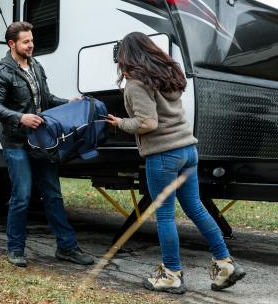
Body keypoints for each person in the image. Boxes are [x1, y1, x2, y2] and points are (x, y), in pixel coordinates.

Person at [105, 32, 245, 294]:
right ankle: (224, 263)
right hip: (187, 150)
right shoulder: (167, 74)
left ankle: (171, 274)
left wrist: (120, 123)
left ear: (127, 55)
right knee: (196, 208)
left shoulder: (137, 82)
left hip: (163, 154)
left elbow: (147, 123)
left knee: (165, 216)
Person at [0, 21, 94, 268]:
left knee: (53, 194)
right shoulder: (2, 73)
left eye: (32, 40)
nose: (31, 45)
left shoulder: (36, 66)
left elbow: (46, 99)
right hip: (16, 143)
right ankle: (15, 249)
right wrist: (20, 117)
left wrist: (70, 102)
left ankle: (66, 248)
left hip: (42, 143)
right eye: (26, 41)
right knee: (22, 196)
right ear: (12, 44)